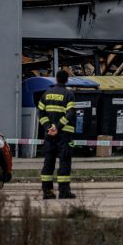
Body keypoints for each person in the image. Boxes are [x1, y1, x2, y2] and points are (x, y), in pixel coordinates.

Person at [38, 69, 76, 199]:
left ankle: (47, 192)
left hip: (49, 135)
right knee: (64, 162)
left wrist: (49, 127)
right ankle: (64, 192)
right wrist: (58, 127)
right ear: (66, 80)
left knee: (48, 162)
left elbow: (40, 113)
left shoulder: (46, 94)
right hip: (64, 135)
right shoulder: (69, 94)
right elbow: (70, 113)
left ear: (56, 79)